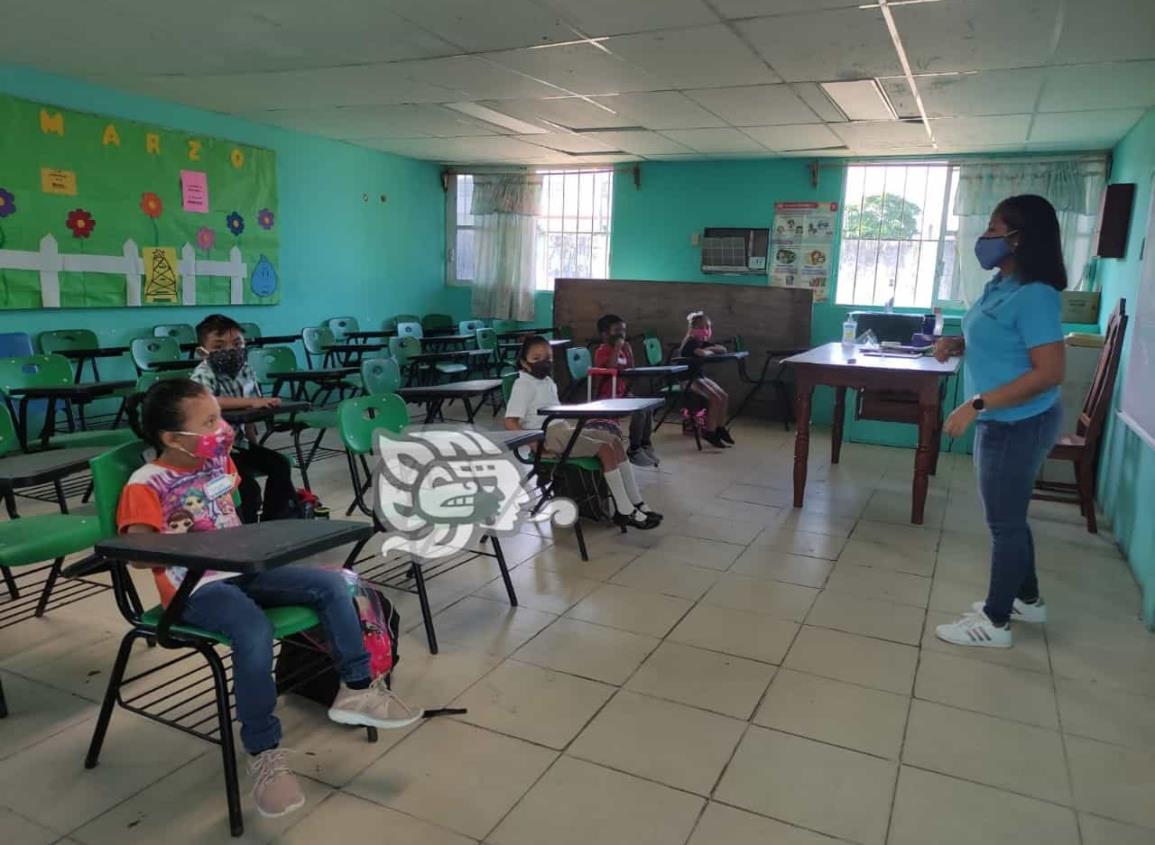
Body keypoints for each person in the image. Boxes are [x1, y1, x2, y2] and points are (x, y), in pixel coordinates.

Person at [118, 379, 422, 818]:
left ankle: (356, 689)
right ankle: (263, 751)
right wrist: (185, 538)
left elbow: (235, 517)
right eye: (208, 422)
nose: (222, 428)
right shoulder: (146, 483)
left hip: (244, 570)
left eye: (219, 417)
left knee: (334, 585)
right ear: (171, 438)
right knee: (253, 630)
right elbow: (139, 558)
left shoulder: (216, 467)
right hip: (196, 588)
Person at [934, 194, 1066, 649]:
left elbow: (1049, 371)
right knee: (1011, 517)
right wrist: (959, 343)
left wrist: (976, 405)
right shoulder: (1001, 284)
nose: (985, 237)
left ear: (1019, 237)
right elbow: (1006, 345)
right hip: (1003, 417)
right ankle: (1027, 599)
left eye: (994, 228)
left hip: (1018, 422)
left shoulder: (1036, 295)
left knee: (1004, 524)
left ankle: (995, 623)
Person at [505, 335, 661, 530]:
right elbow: (510, 422)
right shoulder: (523, 385)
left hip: (562, 428)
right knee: (604, 449)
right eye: (536, 359)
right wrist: (534, 445)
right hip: (547, 435)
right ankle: (624, 510)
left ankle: (636, 501)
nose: (544, 363)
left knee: (615, 440)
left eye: (548, 357)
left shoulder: (546, 381)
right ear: (524, 362)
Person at [190, 314, 297, 522]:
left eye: (237, 344)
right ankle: (244, 530)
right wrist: (251, 402)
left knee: (280, 464)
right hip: (213, 453)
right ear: (202, 352)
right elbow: (207, 401)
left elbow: (250, 416)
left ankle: (272, 521)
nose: (230, 351)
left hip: (241, 445)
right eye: (219, 347)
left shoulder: (246, 370)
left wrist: (255, 445)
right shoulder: (203, 373)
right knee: (247, 487)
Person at [592, 314, 659, 468]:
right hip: (607, 398)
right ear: (605, 334)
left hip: (621, 393)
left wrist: (627, 351)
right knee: (639, 412)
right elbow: (610, 368)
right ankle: (634, 449)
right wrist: (616, 348)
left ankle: (644, 444)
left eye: (623, 330)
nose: (621, 334)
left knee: (646, 407)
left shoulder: (622, 349)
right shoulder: (602, 350)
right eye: (617, 330)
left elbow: (630, 370)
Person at [679, 311, 734, 449]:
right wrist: (710, 349)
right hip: (687, 379)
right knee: (715, 398)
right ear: (693, 330)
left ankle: (720, 428)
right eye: (702, 328)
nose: (706, 331)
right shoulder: (690, 343)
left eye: (708, 327)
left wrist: (710, 348)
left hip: (698, 376)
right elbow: (702, 353)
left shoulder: (701, 342)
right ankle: (709, 431)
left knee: (724, 396)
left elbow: (722, 349)